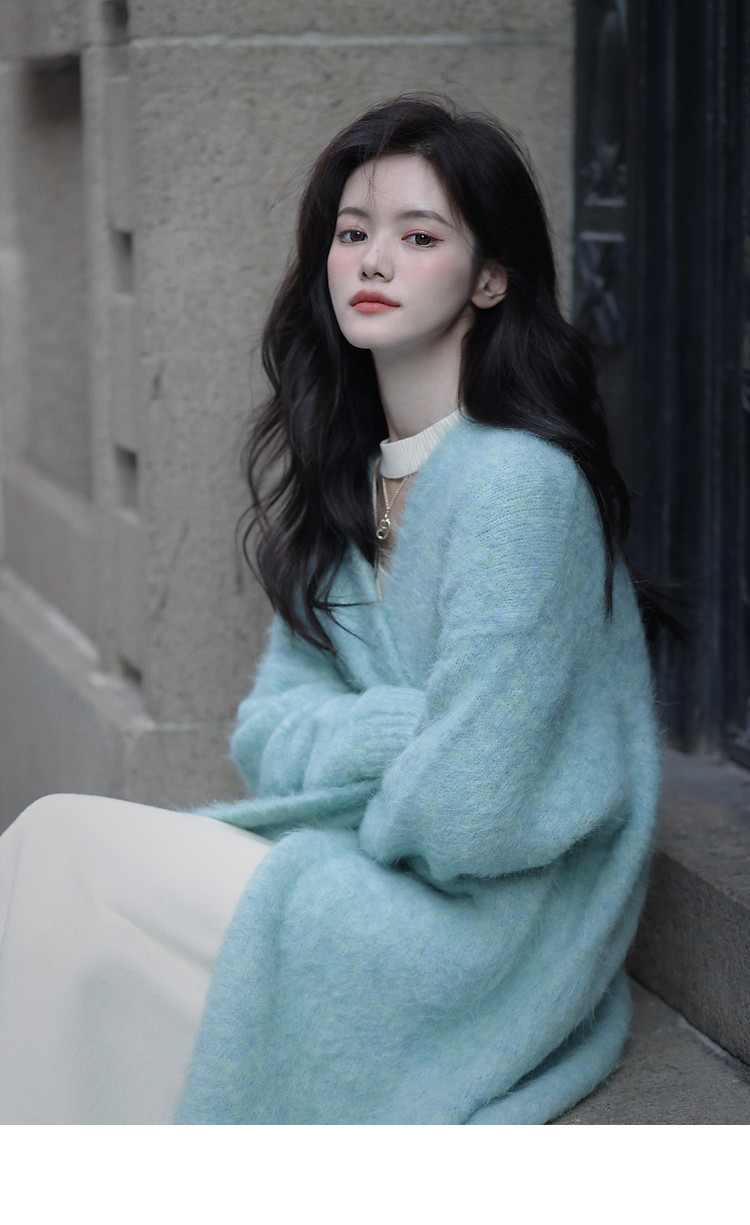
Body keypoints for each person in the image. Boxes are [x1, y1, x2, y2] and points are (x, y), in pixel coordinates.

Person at [0, 95, 660, 1125]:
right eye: (353, 234)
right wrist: (407, 729)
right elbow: (266, 729)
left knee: (60, 852)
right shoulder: (357, 482)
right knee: (51, 871)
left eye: (419, 236)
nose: (373, 261)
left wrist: (373, 768)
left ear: (490, 277)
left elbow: (474, 813)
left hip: (487, 933)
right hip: (367, 869)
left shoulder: (519, 485)